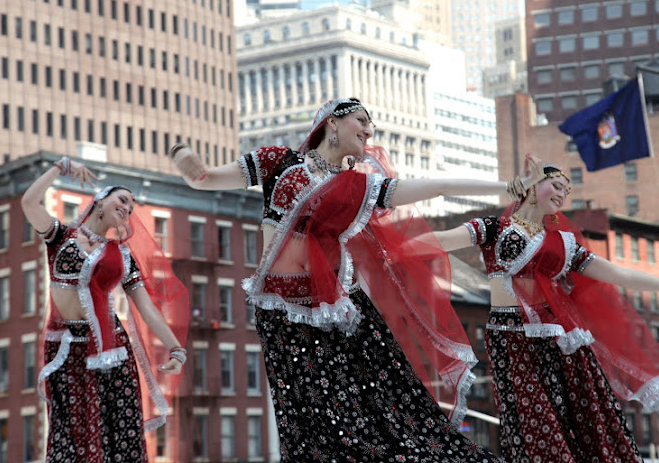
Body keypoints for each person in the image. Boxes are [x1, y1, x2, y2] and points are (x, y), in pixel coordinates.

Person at [171, 98, 543, 461]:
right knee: (309, 418)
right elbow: (202, 178)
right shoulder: (278, 162)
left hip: (341, 311)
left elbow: (436, 186)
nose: (369, 130)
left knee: (384, 405)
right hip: (283, 313)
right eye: (362, 121)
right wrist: (182, 155)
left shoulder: (359, 186)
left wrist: (505, 188)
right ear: (332, 122)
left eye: (371, 126)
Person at [431, 163, 659, 462]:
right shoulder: (492, 227)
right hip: (510, 340)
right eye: (556, 185)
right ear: (533, 185)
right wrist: (387, 247)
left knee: (583, 420)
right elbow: (439, 242)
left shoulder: (564, 244)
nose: (562, 194)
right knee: (532, 420)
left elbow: (618, 274)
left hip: (562, 343)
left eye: (566, 190)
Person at [21, 157, 190, 462]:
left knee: (117, 434)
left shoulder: (121, 256)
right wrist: (61, 167)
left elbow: (148, 309)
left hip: (111, 351)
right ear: (100, 201)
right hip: (66, 350)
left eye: (131, 207)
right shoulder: (60, 237)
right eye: (122, 200)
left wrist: (176, 350)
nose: (127, 208)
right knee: (69, 434)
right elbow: (29, 202)